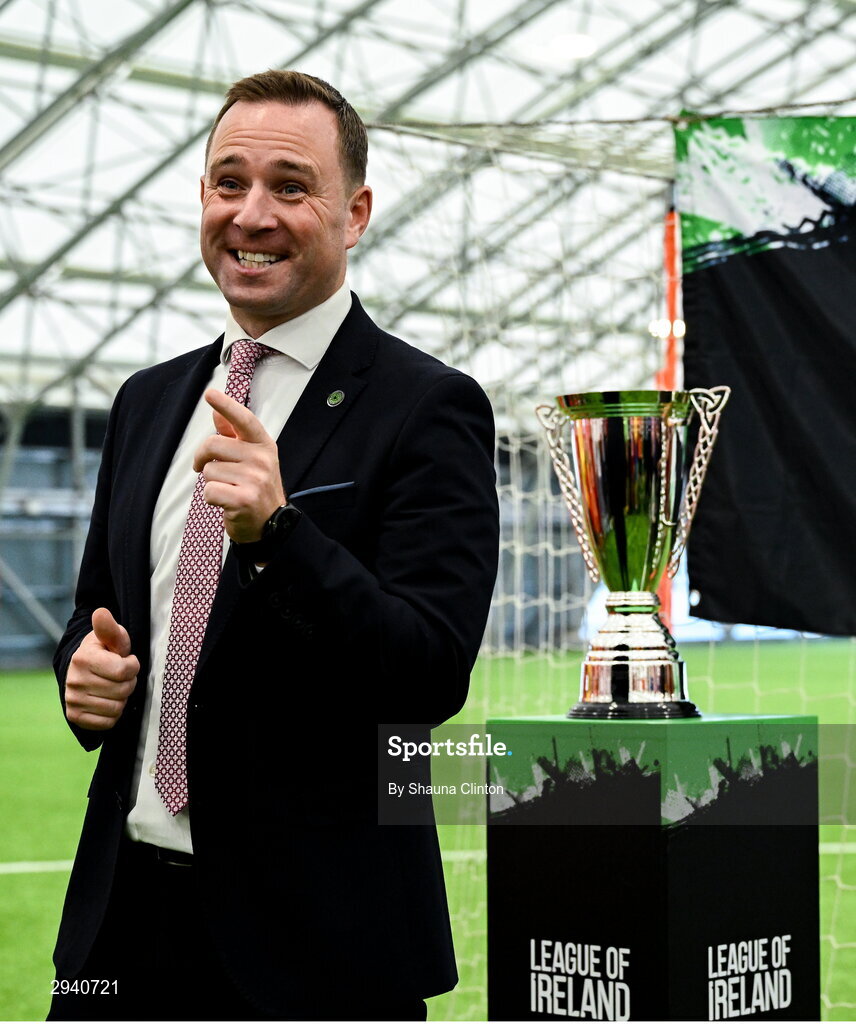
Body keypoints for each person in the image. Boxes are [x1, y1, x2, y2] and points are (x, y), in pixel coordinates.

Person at [47, 70, 499, 1022]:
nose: (251, 214)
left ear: (355, 212)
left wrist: (279, 536)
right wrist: (84, 676)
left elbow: (428, 675)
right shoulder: (147, 400)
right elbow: (101, 621)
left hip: (320, 950)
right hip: (120, 929)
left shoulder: (428, 407)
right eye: (228, 182)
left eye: (291, 187)